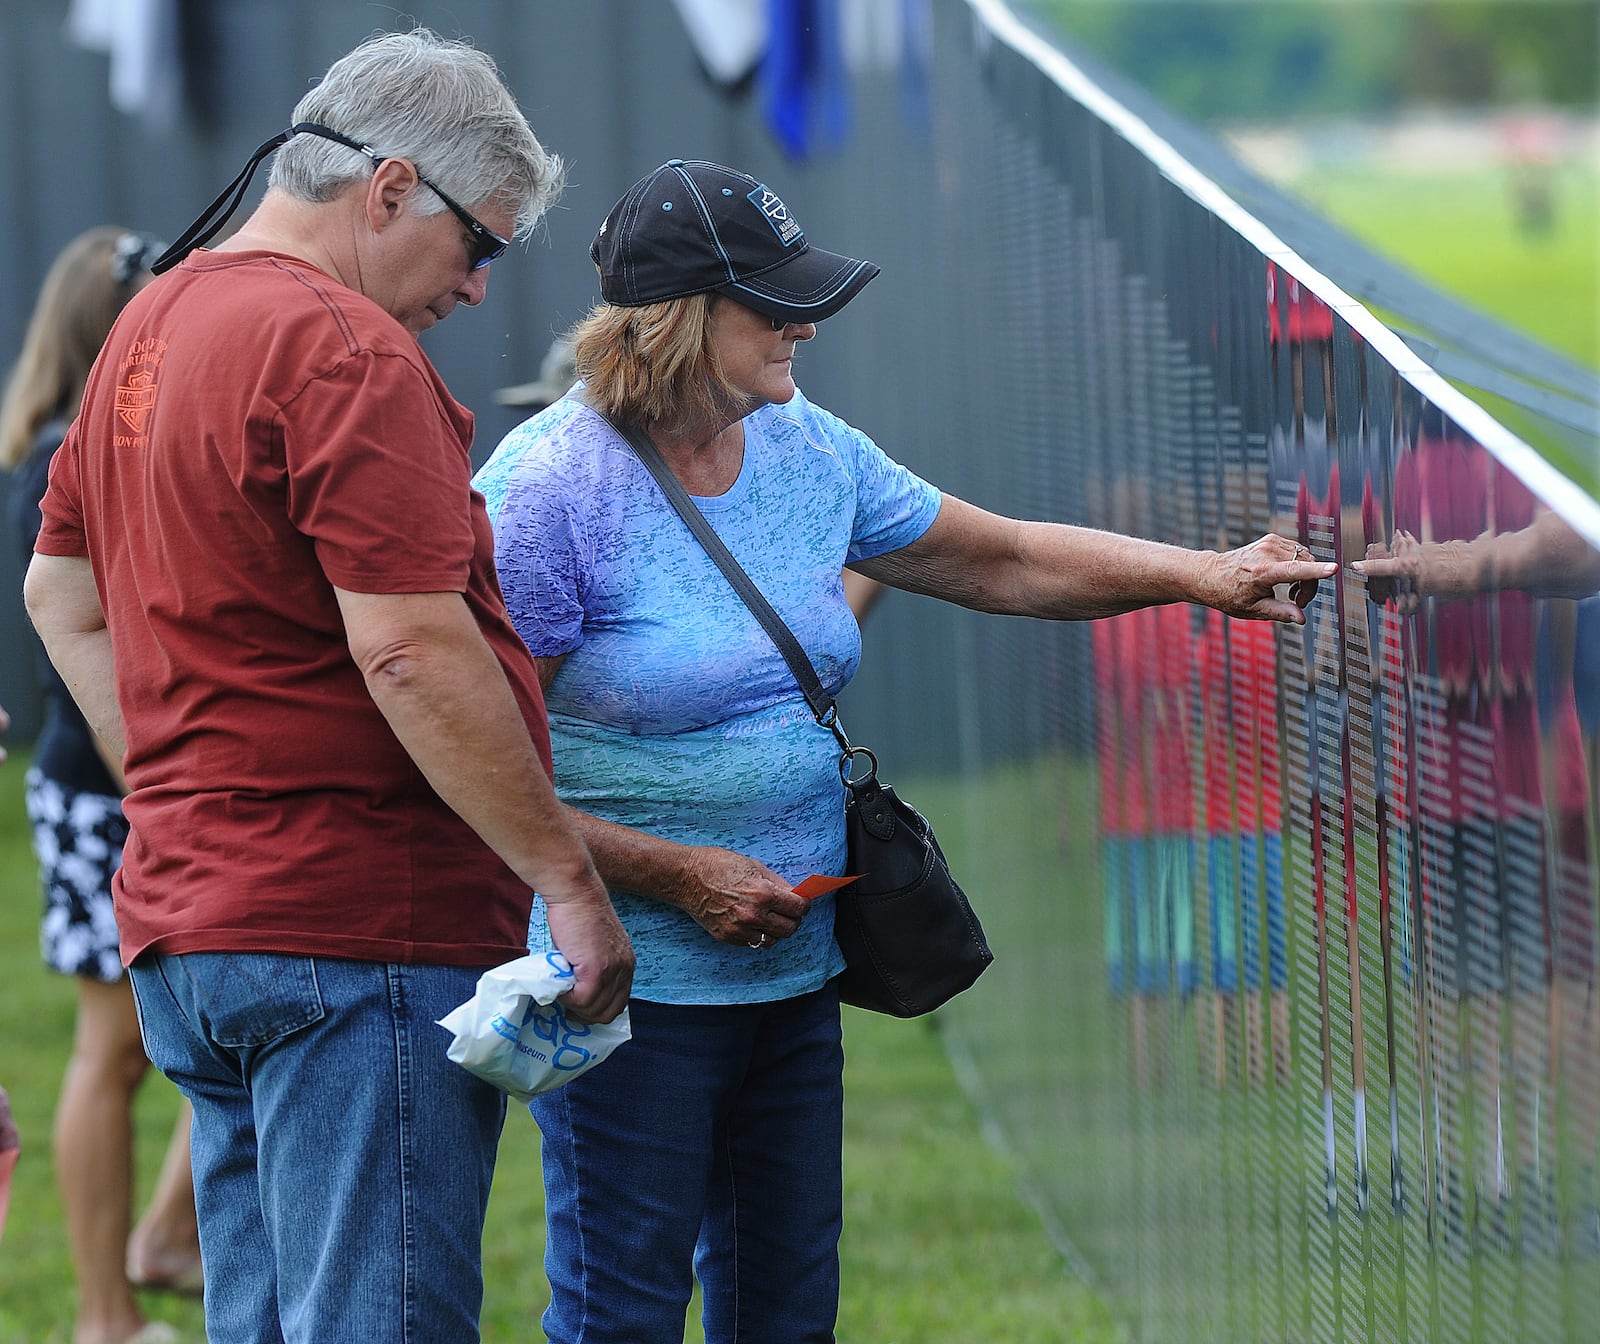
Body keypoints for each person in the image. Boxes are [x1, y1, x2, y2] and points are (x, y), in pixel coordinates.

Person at [472, 157, 1333, 1344]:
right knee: (622, 1309)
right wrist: (680, 875)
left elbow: (1006, 559)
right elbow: (476, 766)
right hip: (632, 984)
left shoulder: (805, 446)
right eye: (773, 305)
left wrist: (1206, 576)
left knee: (788, 1309)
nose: (805, 325)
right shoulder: (547, 493)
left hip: (792, 971)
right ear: (678, 319)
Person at [22, 30, 632, 1344]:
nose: (477, 289)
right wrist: (570, 886)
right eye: (481, 246)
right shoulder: (342, 347)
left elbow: (55, 593)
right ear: (392, 187)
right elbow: (410, 646)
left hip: (199, 930)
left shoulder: (147, 320)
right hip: (353, 937)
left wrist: (173, 785)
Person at [2, 225, 202, 1344]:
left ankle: (164, 1240)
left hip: (134, 776)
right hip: (102, 786)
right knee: (111, 1052)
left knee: (191, 1033)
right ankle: (102, 1314)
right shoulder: (65, 454)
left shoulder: (67, 441)